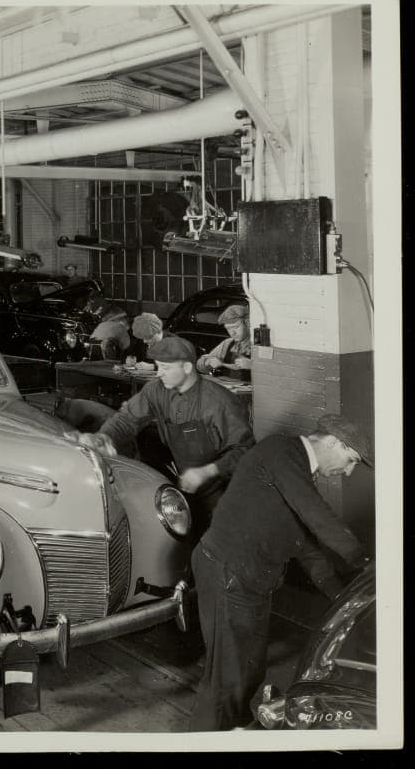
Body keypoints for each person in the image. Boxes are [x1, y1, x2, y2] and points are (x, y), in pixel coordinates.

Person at [189, 414, 373, 731]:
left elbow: (306, 545)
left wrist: (344, 596)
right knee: (226, 680)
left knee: (249, 672)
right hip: (228, 574)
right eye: (351, 459)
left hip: (251, 581)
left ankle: (238, 735)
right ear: (333, 442)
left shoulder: (295, 472)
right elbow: (318, 517)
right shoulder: (282, 452)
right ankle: (206, 741)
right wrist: (363, 560)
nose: (348, 470)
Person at [77, 335, 254, 537]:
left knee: (217, 538)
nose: (159, 374)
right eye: (158, 366)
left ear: (187, 368)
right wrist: (103, 437)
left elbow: (244, 450)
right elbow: (127, 419)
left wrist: (206, 472)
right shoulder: (156, 390)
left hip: (222, 487)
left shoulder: (218, 402)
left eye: (166, 368)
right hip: (186, 480)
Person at [198, 304, 252, 374]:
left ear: (247, 324)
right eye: (228, 328)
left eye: (236, 327)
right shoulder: (228, 343)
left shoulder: (258, 345)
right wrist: (206, 362)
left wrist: (253, 366)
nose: (232, 333)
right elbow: (200, 367)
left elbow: (270, 370)